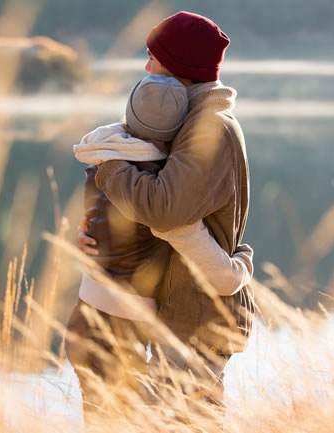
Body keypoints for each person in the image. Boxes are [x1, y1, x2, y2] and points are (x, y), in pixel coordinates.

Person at [69, 10, 255, 418]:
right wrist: (94, 233)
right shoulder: (185, 122)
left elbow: (164, 211)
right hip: (180, 308)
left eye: (153, 57)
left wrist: (109, 165)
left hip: (200, 317)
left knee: (186, 422)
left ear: (179, 70)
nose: (147, 66)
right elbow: (156, 213)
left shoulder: (210, 129)